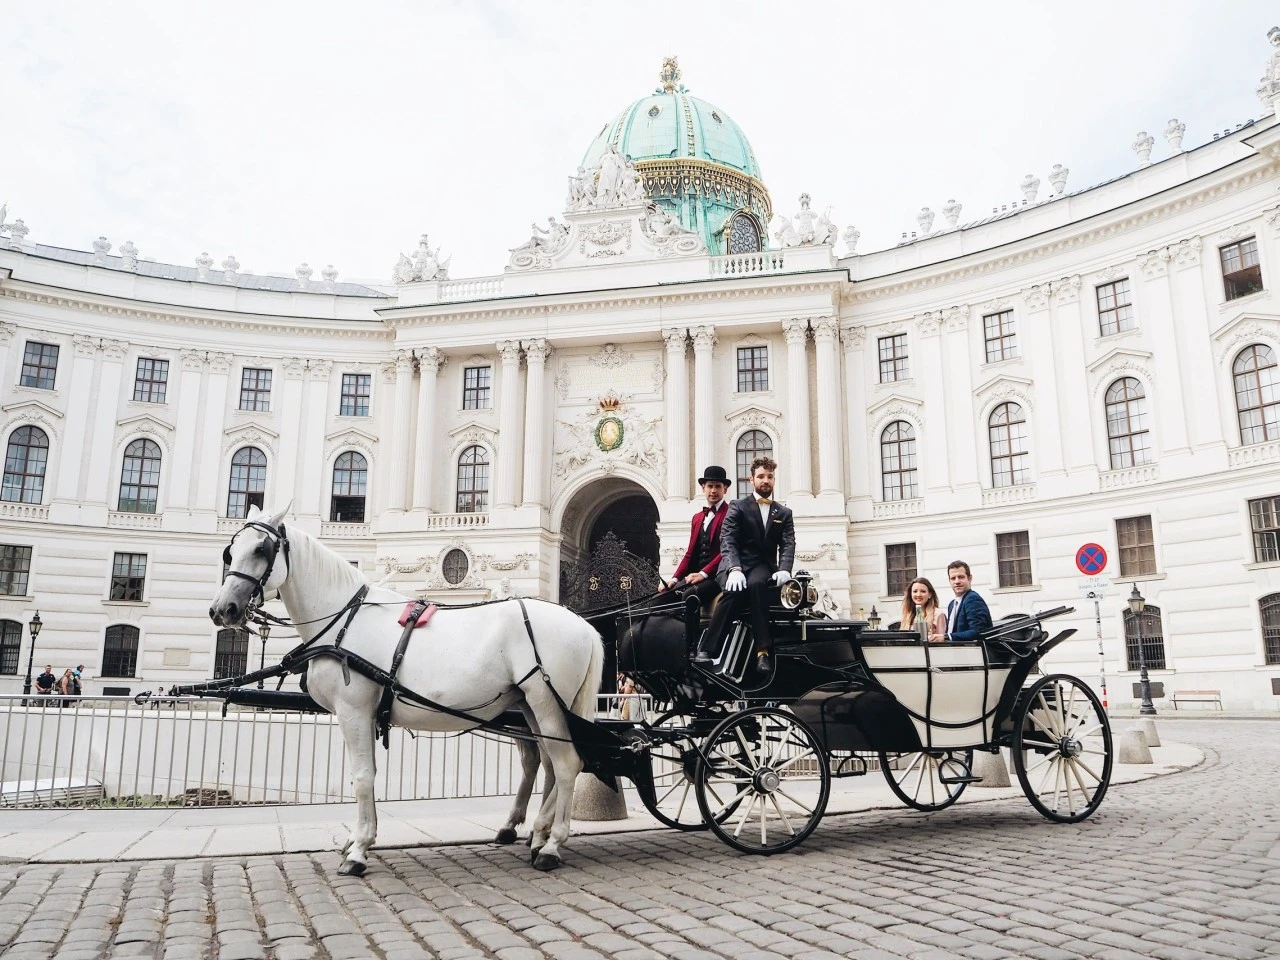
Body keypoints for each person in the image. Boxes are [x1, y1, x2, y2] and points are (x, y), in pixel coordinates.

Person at [695, 456, 795, 675]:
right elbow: (728, 539)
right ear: (752, 479)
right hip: (735, 564)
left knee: (757, 585)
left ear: (774, 480)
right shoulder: (738, 507)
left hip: (761, 565)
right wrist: (734, 569)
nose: (765, 480)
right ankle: (707, 651)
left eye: (770, 477)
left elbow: (788, 544)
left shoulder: (784, 513)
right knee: (733, 591)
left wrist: (785, 569)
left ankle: (763, 653)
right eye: (761, 476)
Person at [658, 465, 730, 610]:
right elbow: (690, 553)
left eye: (718, 486)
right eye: (710, 486)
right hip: (694, 575)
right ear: (703, 488)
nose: (713, 491)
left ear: (725, 489)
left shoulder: (731, 514)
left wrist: (703, 574)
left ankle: (691, 634)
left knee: (689, 597)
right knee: (660, 598)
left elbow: (726, 552)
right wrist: (674, 578)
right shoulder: (697, 518)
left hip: (716, 576)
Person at [945, 560, 993, 642]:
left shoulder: (973, 599)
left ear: (969, 578)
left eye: (961, 577)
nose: (957, 582)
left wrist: (947, 637)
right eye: (953, 578)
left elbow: (978, 631)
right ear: (949, 581)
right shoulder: (951, 604)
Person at [901, 577, 947, 643]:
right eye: (915, 591)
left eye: (923, 591)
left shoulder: (938, 614)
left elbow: (941, 641)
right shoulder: (907, 614)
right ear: (910, 594)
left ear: (930, 594)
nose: (918, 594)